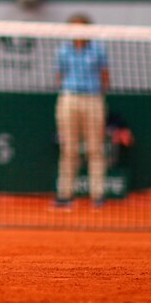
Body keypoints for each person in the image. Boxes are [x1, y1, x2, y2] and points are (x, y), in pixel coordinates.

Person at [54, 14, 109, 209]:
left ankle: (98, 195)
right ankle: (65, 195)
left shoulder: (98, 50)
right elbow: (59, 76)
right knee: (69, 148)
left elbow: (105, 76)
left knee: (95, 148)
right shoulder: (63, 50)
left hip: (93, 99)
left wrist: (98, 95)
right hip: (69, 99)